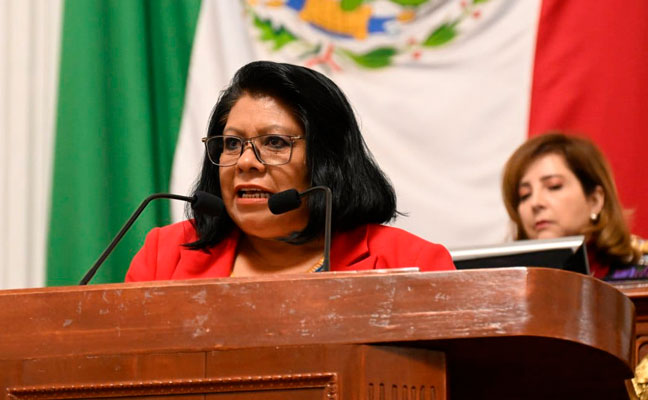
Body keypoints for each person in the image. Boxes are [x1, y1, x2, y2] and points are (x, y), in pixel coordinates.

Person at [125, 61, 454, 282]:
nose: (245, 162)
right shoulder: (165, 256)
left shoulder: (412, 263)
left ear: (327, 159)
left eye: (275, 142)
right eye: (232, 143)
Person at [501, 132, 647, 280]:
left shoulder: (641, 271)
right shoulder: (508, 282)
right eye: (525, 195)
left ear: (595, 200)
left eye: (554, 186)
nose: (535, 203)